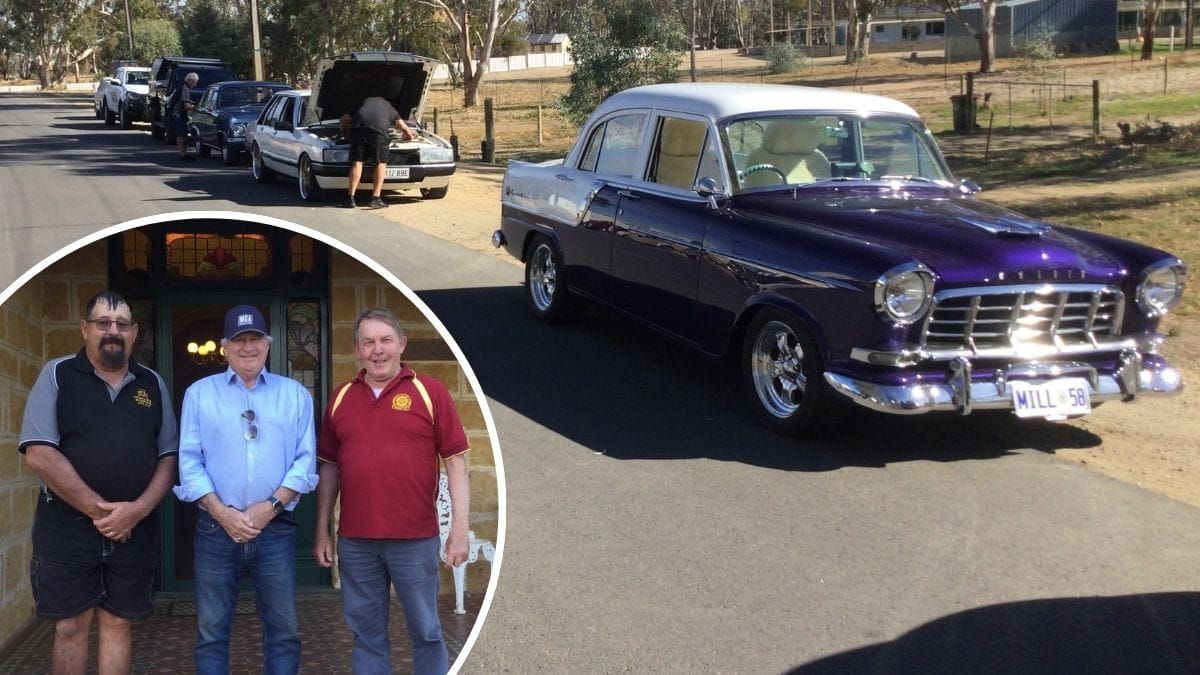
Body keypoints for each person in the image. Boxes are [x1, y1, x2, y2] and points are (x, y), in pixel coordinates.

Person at [19, 290, 179, 675]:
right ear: (85, 328)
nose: (113, 331)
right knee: (71, 625)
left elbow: (169, 457)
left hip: (134, 528)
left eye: (122, 324)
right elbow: (39, 452)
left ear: (135, 332)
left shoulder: (151, 383)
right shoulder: (57, 375)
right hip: (67, 527)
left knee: (118, 623)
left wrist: (136, 511)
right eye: (103, 323)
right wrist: (102, 513)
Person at [313, 308, 470, 675]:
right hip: (356, 541)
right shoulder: (340, 398)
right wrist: (322, 529)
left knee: (427, 631)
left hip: (414, 540)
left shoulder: (429, 392)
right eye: (368, 342)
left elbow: (456, 462)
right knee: (366, 635)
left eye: (385, 340)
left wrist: (459, 531)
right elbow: (329, 467)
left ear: (402, 344)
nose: (377, 350)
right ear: (356, 349)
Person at [174, 305, 318, 675]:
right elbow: (189, 461)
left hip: (275, 528)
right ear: (224, 347)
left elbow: (305, 462)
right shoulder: (199, 394)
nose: (248, 347)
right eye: (239, 340)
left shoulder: (295, 395)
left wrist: (271, 505)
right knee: (211, 631)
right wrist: (223, 513)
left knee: (284, 630)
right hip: (215, 528)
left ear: (268, 345)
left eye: (256, 339)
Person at [339, 96, 418, 209]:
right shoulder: (389, 107)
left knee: (357, 162)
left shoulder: (362, 103)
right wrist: (409, 136)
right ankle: (375, 198)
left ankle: (350, 198)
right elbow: (403, 127)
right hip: (378, 133)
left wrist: (346, 135)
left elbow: (343, 120)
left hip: (358, 131)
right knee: (380, 163)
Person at [170, 72, 200, 162]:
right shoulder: (185, 88)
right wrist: (198, 110)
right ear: (190, 80)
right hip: (178, 114)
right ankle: (182, 154)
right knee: (181, 134)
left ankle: (184, 153)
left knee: (184, 134)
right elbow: (186, 105)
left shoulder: (183, 87)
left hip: (181, 114)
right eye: (194, 82)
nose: (195, 85)